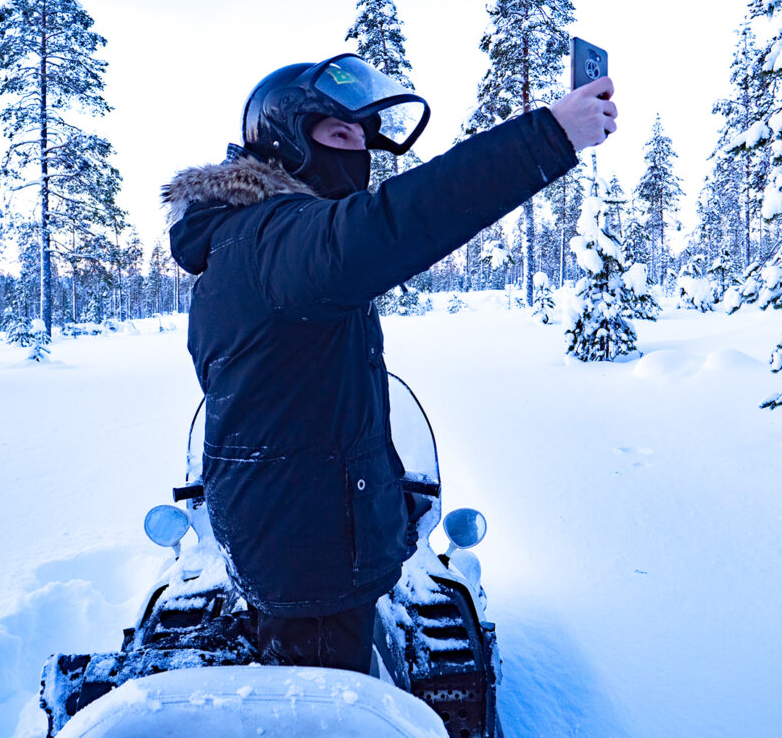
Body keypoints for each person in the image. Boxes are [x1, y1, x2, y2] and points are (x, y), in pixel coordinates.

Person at [163, 53, 615, 674]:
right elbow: (396, 223)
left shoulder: (251, 242)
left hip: (299, 532)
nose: (359, 156)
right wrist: (549, 134)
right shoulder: (273, 237)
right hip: (309, 558)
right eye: (341, 135)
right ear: (286, 140)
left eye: (364, 142)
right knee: (326, 714)